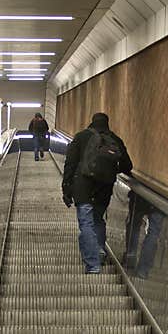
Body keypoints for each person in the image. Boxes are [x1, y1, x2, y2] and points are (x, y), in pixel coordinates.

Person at [62, 112, 132, 274]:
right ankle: (99, 249)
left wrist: (66, 188)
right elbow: (127, 166)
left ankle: (93, 264)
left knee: (86, 223)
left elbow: (70, 164)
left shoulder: (81, 137)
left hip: (82, 186)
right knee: (98, 219)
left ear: (91, 122)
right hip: (104, 188)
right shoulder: (115, 139)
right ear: (107, 123)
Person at [123, 190, 166, 279]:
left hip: (142, 192)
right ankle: (143, 270)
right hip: (162, 199)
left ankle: (130, 257)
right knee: (153, 233)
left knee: (134, 224)